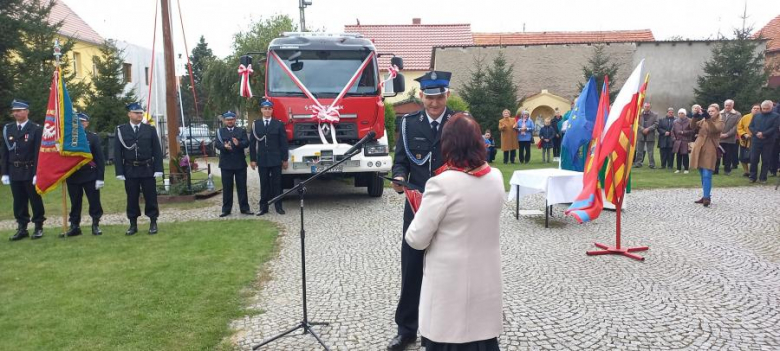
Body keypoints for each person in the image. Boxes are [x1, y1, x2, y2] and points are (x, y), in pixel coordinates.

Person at [405, 112, 503, 351]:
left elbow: (416, 239)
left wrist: (421, 208)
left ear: (448, 146)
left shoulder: (442, 184)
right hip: (485, 280)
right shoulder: (496, 177)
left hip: (450, 289)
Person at [390, 70, 455, 351]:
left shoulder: (460, 123)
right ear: (421, 96)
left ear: (447, 95)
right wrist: (399, 177)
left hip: (452, 208)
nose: (434, 103)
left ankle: (441, 328)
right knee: (412, 266)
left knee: (448, 268)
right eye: (429, 97)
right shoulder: (407, 124)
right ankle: (407, 329)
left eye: (439, 97)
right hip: (417, 207)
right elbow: (400, 162)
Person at [115, 102, 164, 235]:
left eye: (141, 113)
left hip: (147, 167)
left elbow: (157, 150)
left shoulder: (150, 129)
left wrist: (158, 168)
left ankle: (153, 222)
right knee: (132, 197)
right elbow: (117, 152)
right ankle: (133, 224)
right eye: (136, 113)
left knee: (150, 196)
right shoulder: (121, 130)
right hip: (130, 168)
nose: (139, 115)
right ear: (129, 114)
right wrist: (119, 171)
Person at [2, 99, 45, 240]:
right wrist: (4, 173)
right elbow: (4, 152)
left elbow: (38, 152)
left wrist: (37, 173)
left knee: (34, 199)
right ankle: (22, 227)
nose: (16, 113)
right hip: (14, 170)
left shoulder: (36, 129)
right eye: (14, 111)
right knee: (18, 201)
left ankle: (38, 226)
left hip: (30, 169)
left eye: (19, 110)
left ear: (27, 111)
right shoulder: (8, 128)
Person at [62, 112, 104, 237]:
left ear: (87, 123)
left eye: (82, 122)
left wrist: (100, 177)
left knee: (94, 201)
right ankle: (75, 226)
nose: (80, 124)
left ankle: (95, 224)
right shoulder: (67, 138)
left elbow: (99, 159)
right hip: (73, 175)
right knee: (75, 202)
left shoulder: (92, 138)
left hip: (90, 175)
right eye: (77, 122)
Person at [249, 99, 289, 215]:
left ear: (272, 110)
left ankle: (278, 206)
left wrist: (285, 159)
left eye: (269, 109)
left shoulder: (278, 124)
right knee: (264, 184)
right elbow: (252, 143)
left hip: (276, 159)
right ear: (261, 110)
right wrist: (252, 159)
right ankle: (263, 207)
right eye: (265, 108)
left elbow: (283, 143)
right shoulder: (256, 124)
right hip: (262, 159)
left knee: (277, 184)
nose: (267, 111)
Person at [215, 111, 251, 217]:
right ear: (224, 121)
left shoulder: (241, 131)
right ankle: (226, 209)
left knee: (242, 187)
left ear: (235, 120)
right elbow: (217, 144)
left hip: (239, 163)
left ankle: (244, 208)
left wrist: (238, 143)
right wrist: (224, 147)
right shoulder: (220, 131)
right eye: (227, 120)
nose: (230, 121)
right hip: (226, 164)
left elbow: (246, 143)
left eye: (231, 119)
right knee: (227, 187)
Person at [690, 104, 725, 207]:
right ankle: (706, 195)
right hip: (699, 146)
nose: (710, 113)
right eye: (709, 111)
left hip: (710, 148)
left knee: (707, 173)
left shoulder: (721, 122)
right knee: (702, 172)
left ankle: (706, 198)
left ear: (718, 111)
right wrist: (695, 116)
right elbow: (692, 126)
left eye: (712, 111)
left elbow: (713, 130)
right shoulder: (704, 120)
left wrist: (708, 118)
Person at [748, 100, 780, 183]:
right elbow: (751, 126)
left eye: (767, 108)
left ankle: (763, 177)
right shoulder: (756, 115)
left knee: (766, 159)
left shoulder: (776, 116)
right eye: (763, 108)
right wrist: (756, 133)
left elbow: (774, 128)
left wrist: (764, 134)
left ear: (771, 107)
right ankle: (752, 176)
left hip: (768, 140)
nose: (765, 110)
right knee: (753, 159)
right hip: (756, 140)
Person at [714, 99, 741, 175]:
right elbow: (715, 124)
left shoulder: (737, 114)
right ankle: (715, 170)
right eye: (726, 105)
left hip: (730, 138)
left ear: (733, 105)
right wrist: (719, 133)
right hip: (719, 138)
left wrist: (727, 134)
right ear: (724, 105)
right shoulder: (719, 114)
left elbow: (736, 126)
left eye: (729, 105)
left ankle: (727, 170)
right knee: (717, 155)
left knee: (729, 155)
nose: (728, 107)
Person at [736, 104, 760, 177]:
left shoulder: (762, 117)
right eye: (754, 108)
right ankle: (746, 171)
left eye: (758, 108)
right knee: (743, 157)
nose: (756, 109)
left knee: (753, 158)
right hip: (745, 141)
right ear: (751, 109)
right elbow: (739, 127)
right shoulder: (745, 117)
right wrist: (744, 134)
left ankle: (753, 172)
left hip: (756, 141)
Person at [634, 102, 659, 169]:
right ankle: (638, 163)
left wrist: (648, 129)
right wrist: (642, 129)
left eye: (648, 106)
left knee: (650, 151)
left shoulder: (655, 115)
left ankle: (652, 164)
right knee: (639, 150)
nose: (647, 108)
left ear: (650, 107)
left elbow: (656, 124)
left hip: (650, 134)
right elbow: (636, 123)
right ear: (643, 107)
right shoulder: (639, 114)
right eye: (645, 106)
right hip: (641, 134)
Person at [672, 108, 693, 174]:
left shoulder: (690, 121)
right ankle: (678, 168)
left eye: (682, 113)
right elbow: (672, 131)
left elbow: (692, 131)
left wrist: (683, 132)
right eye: (679, 113)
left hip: (685, 140)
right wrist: (674, 139)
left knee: (685, 155)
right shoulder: (675, 121)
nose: (680, 114)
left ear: (685, 114)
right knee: (678, 155)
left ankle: (686, 168)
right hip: (678, 141)